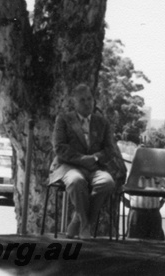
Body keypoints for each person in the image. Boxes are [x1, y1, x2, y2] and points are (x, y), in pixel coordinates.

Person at [49, 83, 122, 239]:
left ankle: (80, 219)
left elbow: (111, 150)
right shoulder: (63, 119)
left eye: (90, 99)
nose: (87, 103)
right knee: (76, 181)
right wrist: (82, 159)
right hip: (69, 167)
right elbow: (59, 147)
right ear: (74, 103)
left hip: (94, 167)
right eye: (82, 100)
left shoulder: (102, 122)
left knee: (107, 182)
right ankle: (85, 224)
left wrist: (95, 158)